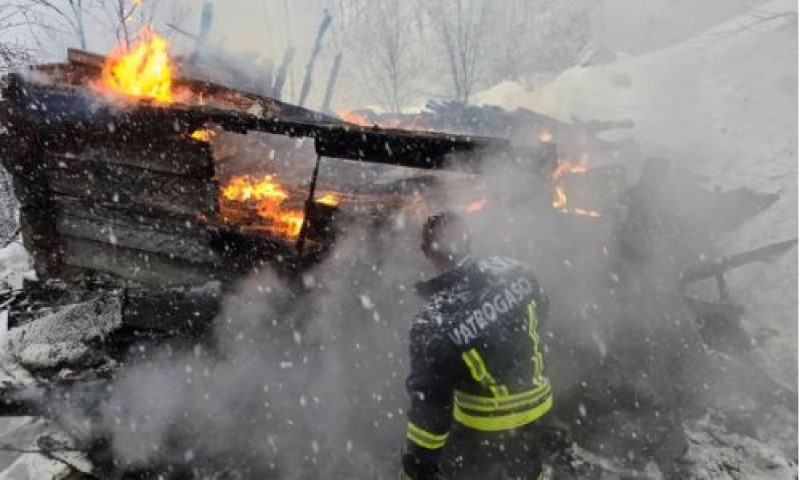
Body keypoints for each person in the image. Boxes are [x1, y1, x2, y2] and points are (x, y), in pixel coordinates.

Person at [401, 212, 553, 480]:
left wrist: (417, 468)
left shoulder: (435, 321)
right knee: (527, 468)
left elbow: (431, 409)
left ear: (425, 251)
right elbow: (541, 311)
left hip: (482, 429)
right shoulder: (516, 271)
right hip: (536, 408)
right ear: (469, 241)